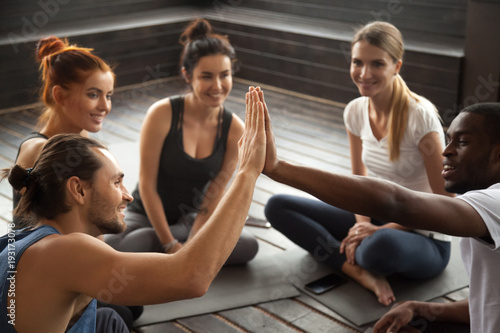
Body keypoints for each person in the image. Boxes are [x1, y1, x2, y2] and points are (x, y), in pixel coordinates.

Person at [0, 87, 265, 332]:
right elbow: (192, 278)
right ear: (78, 190)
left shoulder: (28, 239)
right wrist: (248, 172)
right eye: (116, 182)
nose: (128, 195)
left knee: (111, 319)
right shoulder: (66, 252)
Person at [256, 84, 499, 332]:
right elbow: (486, 302)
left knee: (378, 251)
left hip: (420, 237)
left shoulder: (495, 203)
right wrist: (419, 308)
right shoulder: (356, 111)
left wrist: (278, 168)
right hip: (381, 222)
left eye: (463, 142)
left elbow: (397, 203)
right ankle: (357, 264)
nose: (446, 151)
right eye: (449, 140)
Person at [264, 21, 453, 305]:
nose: (364, 74)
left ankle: (356, 255)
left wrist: (378, 231)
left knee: (377, 249)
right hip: (375, 214)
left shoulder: (421, 117)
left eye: (377, 64)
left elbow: (444, 199)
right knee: (277, 206)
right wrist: (361, 224)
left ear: (396, 66)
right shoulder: (354, 111)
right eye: (357, 63)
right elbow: (358, 180)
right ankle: (358, 271)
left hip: (422, 232)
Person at [11, 35, 140, 331]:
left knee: (131, 303)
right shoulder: (39, 150)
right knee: (123, 312)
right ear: (59, 95)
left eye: (109, 95)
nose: (105, 106)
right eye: (94, 94)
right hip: (48, 269)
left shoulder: (81, 143)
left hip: (79, 259)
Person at [106, 19, 258, 265]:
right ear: (188, 75)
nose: (218, 86)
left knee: (248, 246)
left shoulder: (235, 129)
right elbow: (146, 184)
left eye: (225, 75)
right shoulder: (162, 114)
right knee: (117, 247)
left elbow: (214, 194)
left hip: (194, 219)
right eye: (206, 77)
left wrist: (194, 244)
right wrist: (169, 243)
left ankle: (174, 243)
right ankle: (167, 242)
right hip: (146, 215)